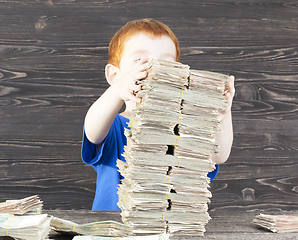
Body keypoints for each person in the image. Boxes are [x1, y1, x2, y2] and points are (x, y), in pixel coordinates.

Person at [81, 18, 235, 211]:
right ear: (114, 75)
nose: (156, 68)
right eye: (140, 60)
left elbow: (218, 156)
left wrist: (221, 113)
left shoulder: (183, 130)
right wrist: (117, 90)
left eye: (166, 63)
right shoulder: (114, 126)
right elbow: (93, 131)